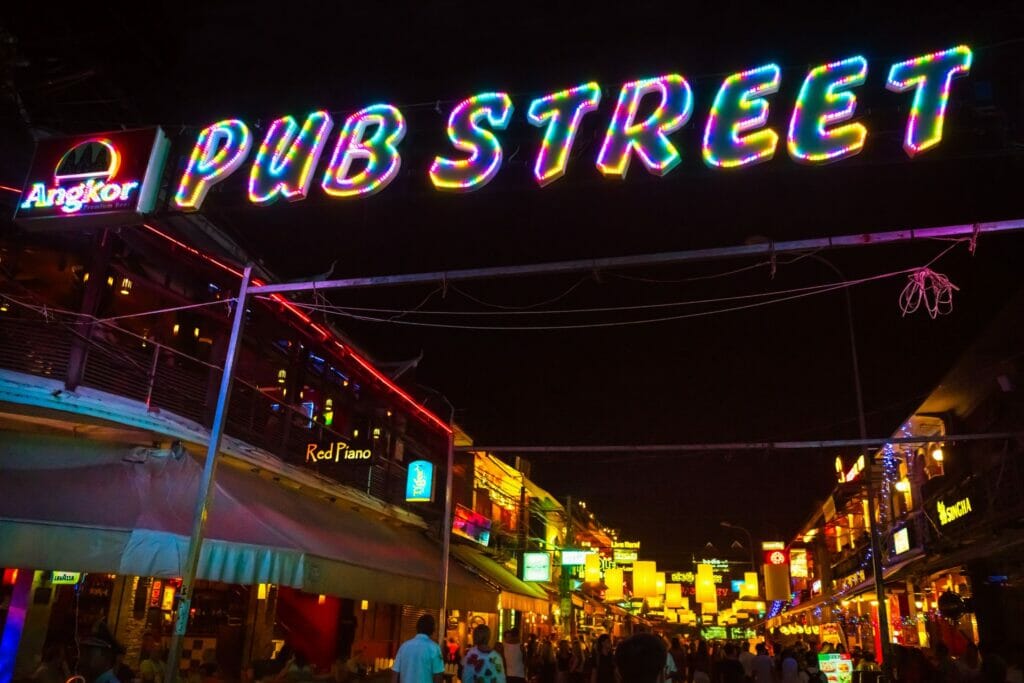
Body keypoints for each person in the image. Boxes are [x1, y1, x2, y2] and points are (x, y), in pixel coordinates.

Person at [392, 614, 444, 683]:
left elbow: (395, 673)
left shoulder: (404, 647)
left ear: (417, 628)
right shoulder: (435, 649)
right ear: (433, 629)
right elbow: (438, 675)